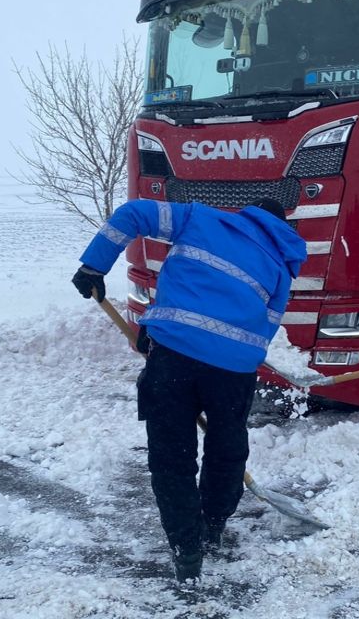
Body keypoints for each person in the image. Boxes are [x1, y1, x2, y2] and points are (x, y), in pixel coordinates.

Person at [72, 197, 306, 582]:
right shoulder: (282, 266)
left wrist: (95, 265)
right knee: (226, 450)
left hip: (174, 360)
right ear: (282, 228)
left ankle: (186, 547)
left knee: (172, 458)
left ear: (247, 212)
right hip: (234, 371)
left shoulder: (201, 219)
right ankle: (212, 527)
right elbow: (265, 325)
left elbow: (131, 214)